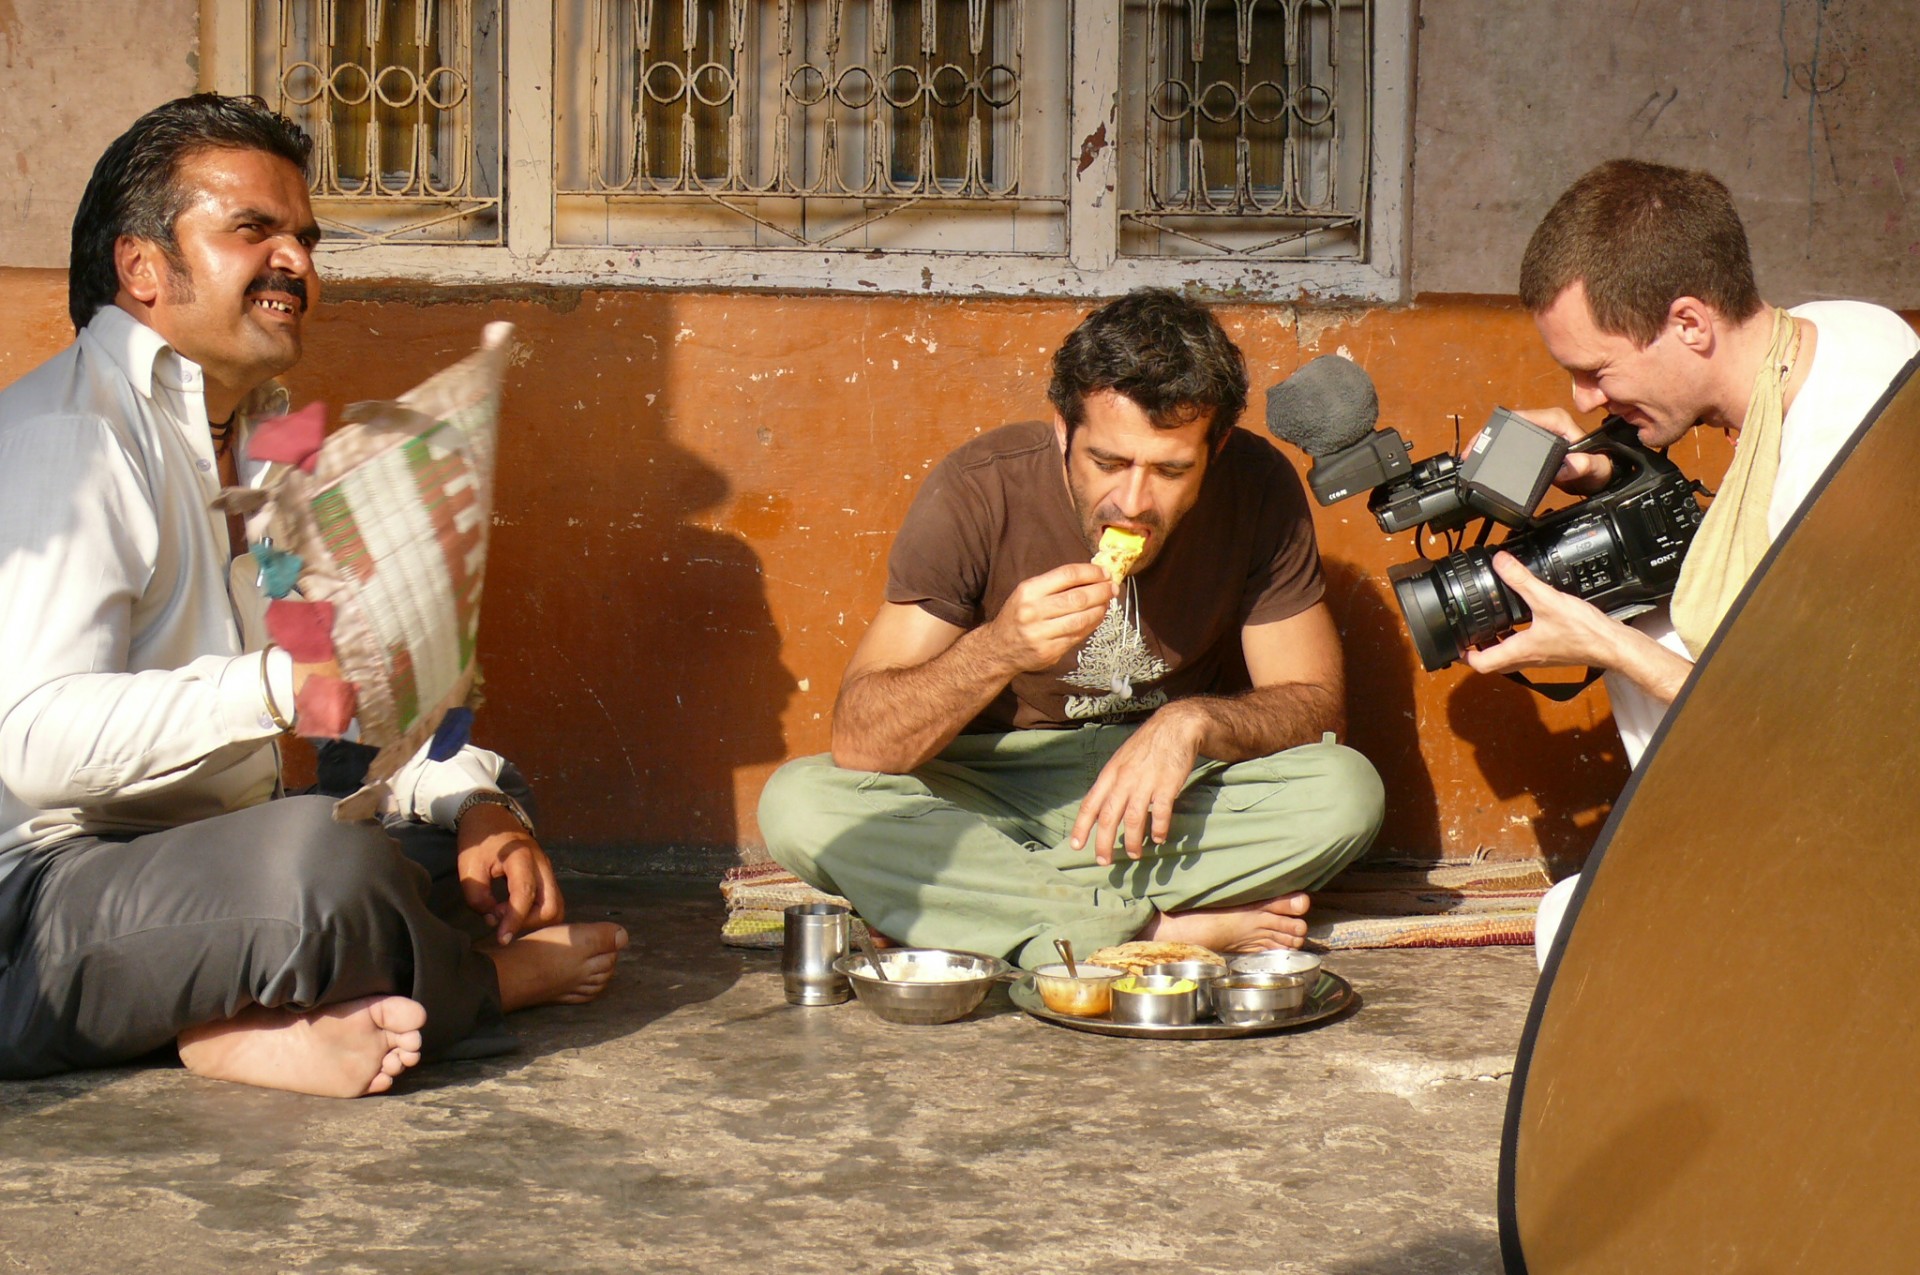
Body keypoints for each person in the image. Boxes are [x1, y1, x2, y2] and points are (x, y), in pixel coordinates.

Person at [0, 93, 629, 1097]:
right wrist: (277, 684)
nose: (296, 262)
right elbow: (31, 745)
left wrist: (475, 802)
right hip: (47, 895)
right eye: (254, 231)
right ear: (143, 269)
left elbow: (347, 704)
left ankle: (230, 1019)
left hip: (205, 862)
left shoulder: (270, 440)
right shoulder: (73, 441)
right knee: (320, 873)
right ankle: (480, 989)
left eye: (304, 237)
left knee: (463, 836)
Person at [757, 289, 1384, 969]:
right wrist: (996, 650)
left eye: (1172, 469)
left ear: (1217, 446)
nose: (1134, 501)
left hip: (1168, 796)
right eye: (1108, 463)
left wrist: (1190, 725)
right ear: (1063, 431)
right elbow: (860, 739)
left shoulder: (1258, 487)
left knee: (1346, 792)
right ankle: (1149, 935)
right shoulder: (979, 489)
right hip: (991, 788)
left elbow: (1316, 707)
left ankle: (989, 913)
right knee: (800, 805)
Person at [1459, 159, 1920, 966]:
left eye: (1596, 371)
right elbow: (1755, 517)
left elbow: (1821, 732)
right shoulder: (1845, 329)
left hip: (1868, 833)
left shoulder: (1843, 466)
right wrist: (1607, 467)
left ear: (1691, 324)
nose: (1584, 401)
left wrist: (1596, 640)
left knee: (1571, 932)